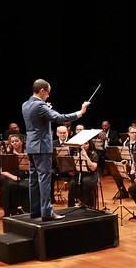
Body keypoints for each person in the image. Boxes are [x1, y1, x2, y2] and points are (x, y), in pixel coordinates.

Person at [21, 79, 89, 221]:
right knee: (44, 179)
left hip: (31, 146)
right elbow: (60, 118)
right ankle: (47, 212)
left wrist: (47, 108)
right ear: (42, 91)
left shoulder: (26, 104)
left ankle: (35, 211)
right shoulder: (40, 105)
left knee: (33, 179)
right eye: (48, 92)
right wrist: (80, 112)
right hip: (42, 147)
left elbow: (39, 118)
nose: (48, 95)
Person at [0, 133, 30, 216]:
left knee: (30, 185)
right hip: (11, 177)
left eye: (16, 141)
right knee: (9, 185)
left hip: (23, 177)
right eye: (12, 142)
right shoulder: (8, 154)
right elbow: (2, 171)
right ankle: (11, 211)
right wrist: (13, 177)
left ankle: (27, 210)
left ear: (21, 142)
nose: (14, 143)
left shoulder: (26, 154)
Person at [68, 140, 101, 208]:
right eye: (82, 144)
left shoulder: (93, 154)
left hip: (91, 175)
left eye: (86, 143)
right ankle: (71, 205)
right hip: (80, 174)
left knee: (85, 182)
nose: (84, 145)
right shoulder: (76, 153)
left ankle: (87, 205)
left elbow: (93, 168)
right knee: (72, 183)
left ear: (90, 144)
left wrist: (85, 156)